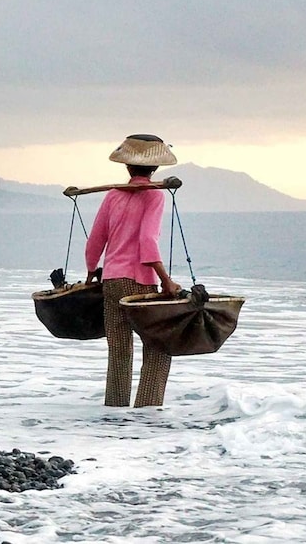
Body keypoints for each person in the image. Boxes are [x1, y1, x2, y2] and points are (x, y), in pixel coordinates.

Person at [85, 134, 182, 408]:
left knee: (119, 350)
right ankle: (146, 415)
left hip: (112, 280)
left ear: (128, 167)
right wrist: (166, 281)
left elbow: (95, 241)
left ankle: (115, 413)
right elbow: (147, 243)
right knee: (158, 347)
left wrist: (92, 271)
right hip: (139, 281)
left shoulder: (113, 195)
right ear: (155, 169)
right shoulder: (154, 196)